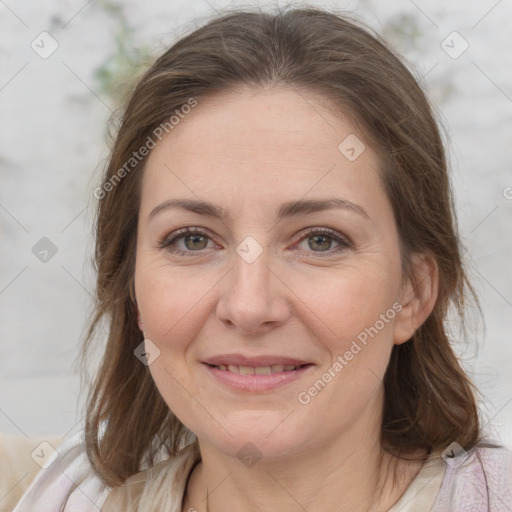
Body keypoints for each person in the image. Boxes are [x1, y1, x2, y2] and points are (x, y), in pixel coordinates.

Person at [12, 5, 512, 512]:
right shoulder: (65, 498)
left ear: (413, 292)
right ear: (134, 286)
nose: (249, 307)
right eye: (191, 240)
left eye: (320, 240)